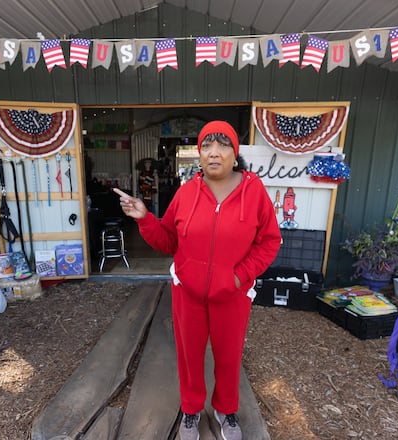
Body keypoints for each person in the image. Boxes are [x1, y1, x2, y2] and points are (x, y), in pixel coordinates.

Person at [114, 120, 281, 440]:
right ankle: (190, 411)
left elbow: (270, 241)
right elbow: (168, 241)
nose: (214, 153)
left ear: (235, 154)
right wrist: (145, 218)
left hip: (232, 294)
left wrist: (239, 276)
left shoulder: (254, 191)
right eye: (207, 145)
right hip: (187, 294)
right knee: (189, 355)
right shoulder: (187, 192)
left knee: (229, 357)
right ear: (198, 154)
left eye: (223, 145)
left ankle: (226, 411)